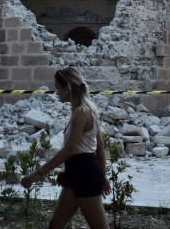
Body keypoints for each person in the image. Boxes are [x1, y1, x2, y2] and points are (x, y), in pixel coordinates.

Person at [21, 67, 111, 229]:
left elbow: (71, 150)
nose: (56, 92)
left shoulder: (82, 112)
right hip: (76, 174)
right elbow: (98, 150)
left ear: (67, 88)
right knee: (55, 225)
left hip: (85, 176)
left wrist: (36, 174)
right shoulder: (83, 110)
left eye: (57, 88)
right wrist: (102, 176)